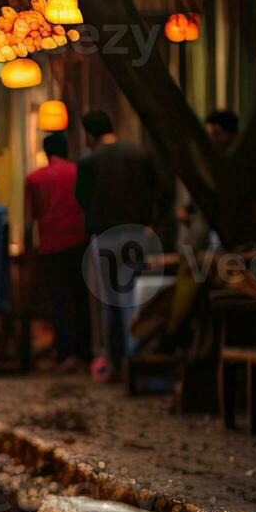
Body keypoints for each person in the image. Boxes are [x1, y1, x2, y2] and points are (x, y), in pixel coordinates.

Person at [75, 110, 168, 379]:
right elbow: (163, 190)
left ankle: (114, 360)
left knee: (109, 301)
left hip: (104, 236)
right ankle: (133, 358)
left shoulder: (90, 162)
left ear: (90, 135)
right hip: (136, 234)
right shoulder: (139, 154)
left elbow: (81, 197)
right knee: (130, 298)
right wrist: (153, 223)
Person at [24, 132, 90, 368]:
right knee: (81, 297)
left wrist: (29, 251)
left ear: (45, 152)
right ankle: (84, 350)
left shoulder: (34, 179)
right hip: (80, 242)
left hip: (51, 245)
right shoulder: (79, 172)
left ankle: (64, 350)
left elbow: (28, 221)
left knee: (59, 299)